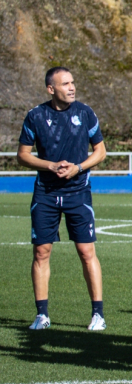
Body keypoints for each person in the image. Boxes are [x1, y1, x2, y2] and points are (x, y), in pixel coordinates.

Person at [18, 67, 108, 332]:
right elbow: (23, 155)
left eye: (73, 83)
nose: (71, 87)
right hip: (45, 193)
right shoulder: (35, 115)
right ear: (51, 89)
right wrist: (50, 165)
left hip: (79, 191)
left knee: (86, 251)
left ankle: (98, 314)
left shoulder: (85, 112)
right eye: (65, 84)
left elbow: (100, 151)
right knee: (41, 252)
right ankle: (42, 315)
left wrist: (78, 168)